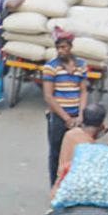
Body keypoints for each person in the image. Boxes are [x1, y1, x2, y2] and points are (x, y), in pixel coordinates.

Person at [41, 32, 88, 187]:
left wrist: (81, 115)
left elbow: (83, 91)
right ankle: (54, 186)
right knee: (56, 153)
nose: (61, 51)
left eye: (64, 47)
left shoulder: (81, 65)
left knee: (76, 153)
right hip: (58, 117)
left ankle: (70, 185)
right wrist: (66, 118)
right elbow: (49, 96)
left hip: (76, 115)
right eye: (58, 48)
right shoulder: (50, 67)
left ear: (70, 47)